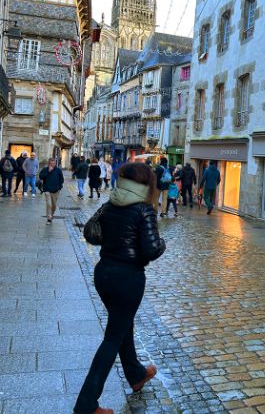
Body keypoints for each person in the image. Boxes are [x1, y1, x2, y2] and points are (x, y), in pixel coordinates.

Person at [74, 163, 166, 414]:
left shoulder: (110, 203)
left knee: (123, 325)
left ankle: (136, 373)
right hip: (128, 279)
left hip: (104, 273)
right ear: (147, 183)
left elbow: (93, 234)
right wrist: (162, 243)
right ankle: (85, 405)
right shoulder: (144, 209)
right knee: (113, 338)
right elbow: (151, 249)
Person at [39, 157, 64, 224]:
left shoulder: (58, 170)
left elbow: (61, 179)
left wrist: (59, 187)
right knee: (49, 204)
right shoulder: (45, 169)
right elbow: (41, 176)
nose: (52, 165)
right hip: (47, 190)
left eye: (53, 163)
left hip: (56, 190)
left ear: (55, 163)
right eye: (51, 163)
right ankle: (49, 218)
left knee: (54, 205)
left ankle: (51, 214)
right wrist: (48, 171)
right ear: (48, 163)